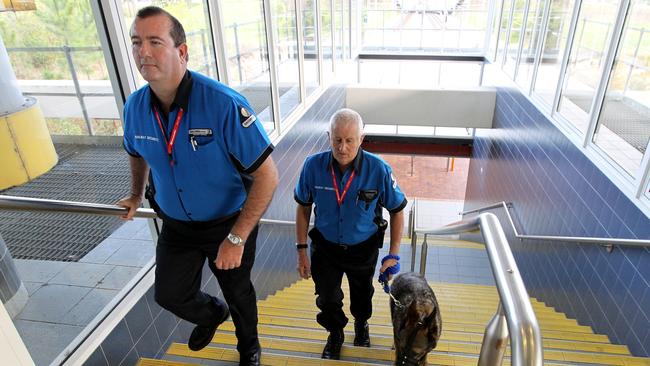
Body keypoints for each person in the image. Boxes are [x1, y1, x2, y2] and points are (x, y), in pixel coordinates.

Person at [117, 6, 278, 366]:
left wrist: (236, 238)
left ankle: (249, 348)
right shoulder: (134, 108)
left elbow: (268, 175)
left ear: (182, 52)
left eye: (155, 42)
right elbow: (135, 151)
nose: (143, 52)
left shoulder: (223, 104)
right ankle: (210, 315)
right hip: (176, 224)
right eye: (136, 42)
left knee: (238, 292)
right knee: (169, 294)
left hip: (227, 223)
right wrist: (135, 192)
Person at [294, 108, 407, 360]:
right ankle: (335, 334)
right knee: (327, 298)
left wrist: (393, 254)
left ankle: (361, 323)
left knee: (362, 296)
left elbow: (398, 210)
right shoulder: (312, 167)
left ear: (361, 138)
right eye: (337, 140)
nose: (342, 148)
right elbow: (302, 207)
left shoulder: (379, 170)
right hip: (325, 248)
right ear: (328, 136)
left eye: (349, 140)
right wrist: (301, 251)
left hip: (362, 248)